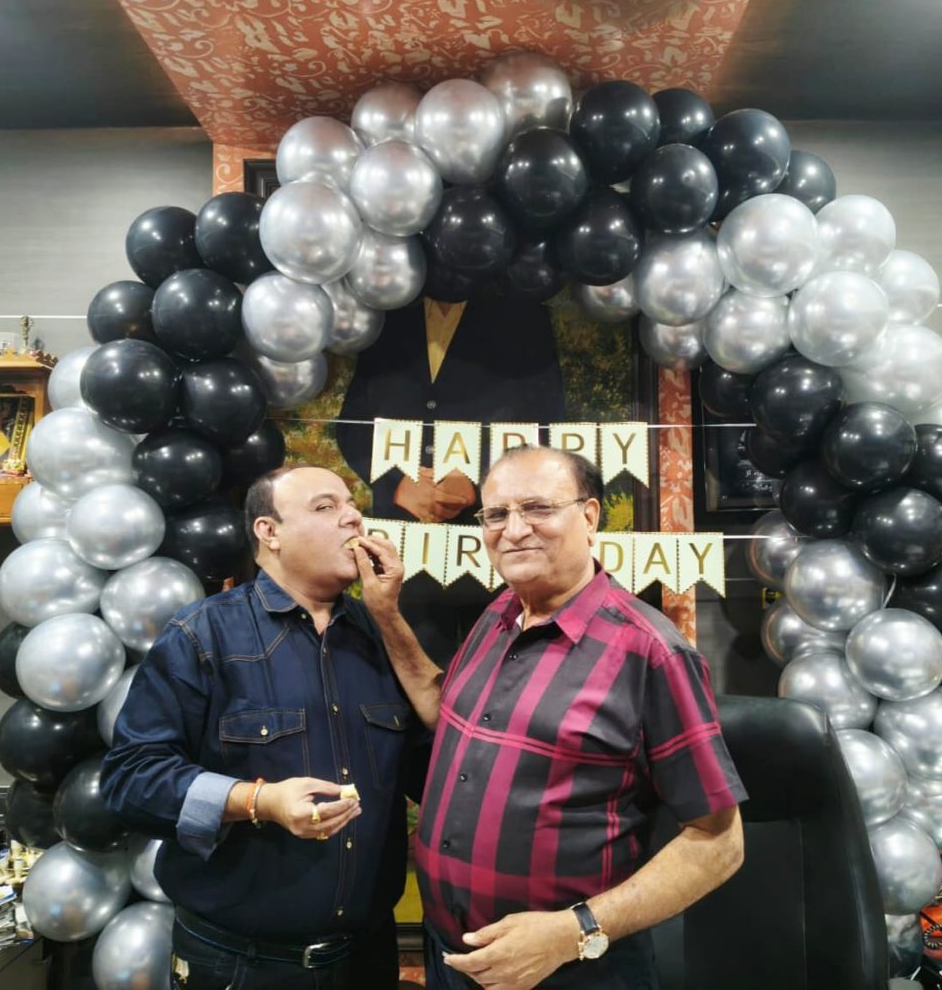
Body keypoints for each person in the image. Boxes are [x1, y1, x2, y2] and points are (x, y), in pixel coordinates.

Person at [356, 446, 747, 990]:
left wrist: (572, 932)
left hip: (573, 971)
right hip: (451, 960)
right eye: (496, 514)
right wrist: (385, 614)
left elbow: (719, 844)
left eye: (537, 508)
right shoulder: (499, 615)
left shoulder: (651, 651)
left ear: (589, 517)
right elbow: (445, 711)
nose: (514, 530)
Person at [100, 464, 436, 990]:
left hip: (367, 955)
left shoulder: (382, 637)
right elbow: (131, 780)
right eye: (326, 507)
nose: (352, 518)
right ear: (269, 532)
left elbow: (436, 774)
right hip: (241, 962)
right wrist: (260, 801)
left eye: (352, 506)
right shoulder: (202, 635)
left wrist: (390, 618)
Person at [336, 291, 566, 668]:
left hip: (493, 543)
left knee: (501, 670)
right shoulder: (388, 314)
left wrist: (480, 484)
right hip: (405, 546)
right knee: (405, 671)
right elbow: (353, 426)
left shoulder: (523, 317)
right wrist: (397, 485)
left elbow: (547, 423)